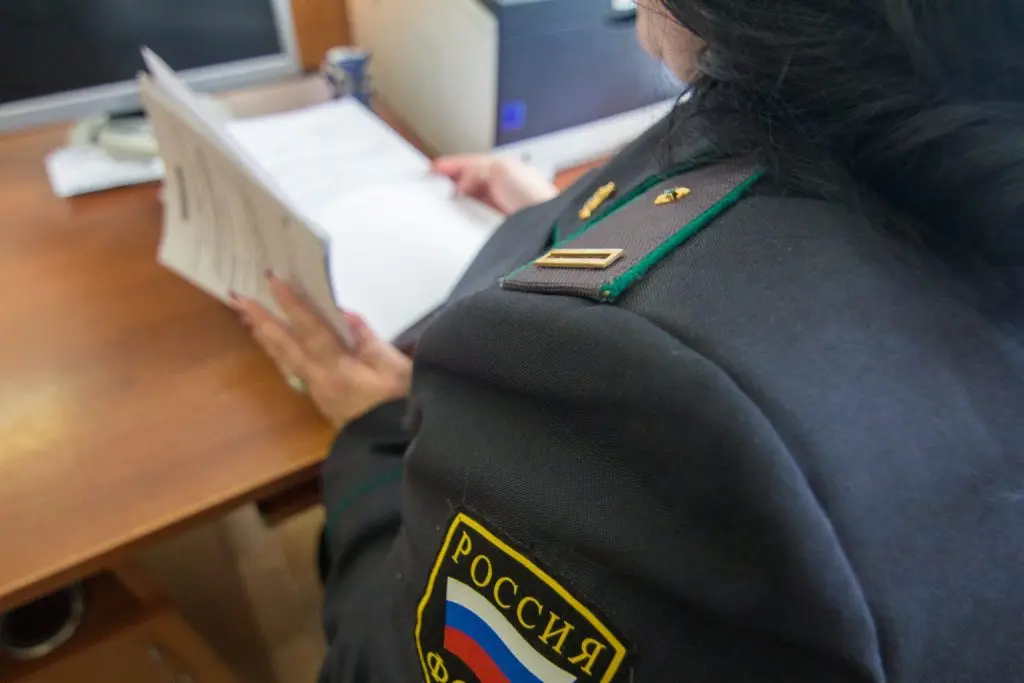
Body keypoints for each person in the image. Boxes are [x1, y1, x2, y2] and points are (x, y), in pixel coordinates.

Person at [234, 0, 1024, 680]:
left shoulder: (631, 391)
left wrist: (371, 427)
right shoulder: (939, 120)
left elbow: (387, 661)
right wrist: (568, 220)